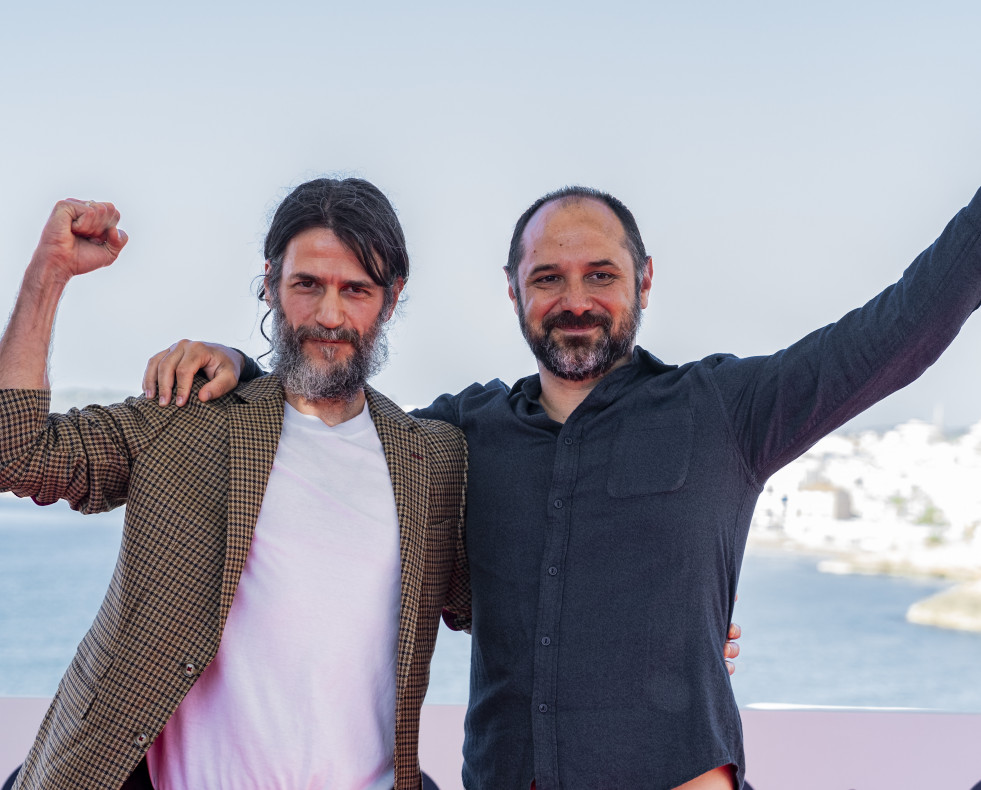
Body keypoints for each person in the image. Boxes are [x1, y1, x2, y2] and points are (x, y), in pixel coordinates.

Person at [156, 181, 981, 790]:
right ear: (512, 288)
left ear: (644, 281)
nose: (575, 300)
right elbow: (322, 425)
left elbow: (902, 326)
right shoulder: (457, 435)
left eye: (600, 275)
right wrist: (237, 365)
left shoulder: (726, 411)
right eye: (547, 277)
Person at [0, 179, 470, 790]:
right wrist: (50, 273)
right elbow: (17, 452)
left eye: (356, 289)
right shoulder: (188, 416)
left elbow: (504, 605)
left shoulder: (435, 460)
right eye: (308, 285)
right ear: (272, 283)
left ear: (391, 296)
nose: (330, 315)